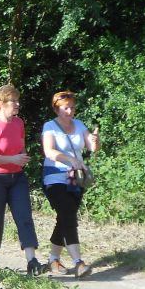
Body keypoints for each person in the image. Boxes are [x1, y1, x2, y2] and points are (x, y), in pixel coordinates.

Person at [0, 84, 46, 275]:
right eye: (13, 101)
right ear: (1, 103)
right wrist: (12, 159)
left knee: (24, 217)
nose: (17, 104)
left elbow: (20, 146)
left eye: (18, 100)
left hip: (16, 177)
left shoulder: (19, 123)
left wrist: (23, 157)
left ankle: (32, 262)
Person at [41, 90, 101, 278]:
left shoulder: (79, 124)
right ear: (57, 109)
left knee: (65, 217)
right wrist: (69, 159)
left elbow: (92, 148)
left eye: (72, 107)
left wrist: (95, 141)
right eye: (65, 108)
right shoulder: (49, 126)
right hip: (54, 178)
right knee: (68, 214)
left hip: (75, 178)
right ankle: (78, 262)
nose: (70, 111)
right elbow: (49, 152)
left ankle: (53, 259)